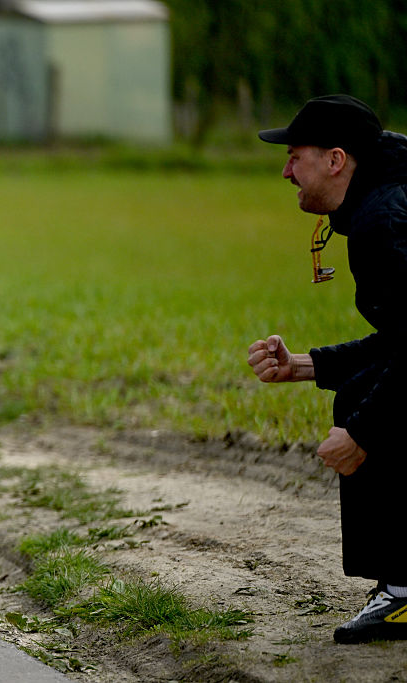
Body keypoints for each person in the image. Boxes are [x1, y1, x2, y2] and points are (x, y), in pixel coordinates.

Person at [248, 94, 407, 644]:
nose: (286, 171)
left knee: (367, 408)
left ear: (336, 160)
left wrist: (362, 434)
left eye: (296, 157)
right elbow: (399, 342)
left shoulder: (381, 222)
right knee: (366, 390)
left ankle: (404, 592)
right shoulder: (384, 203)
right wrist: (304, 366)